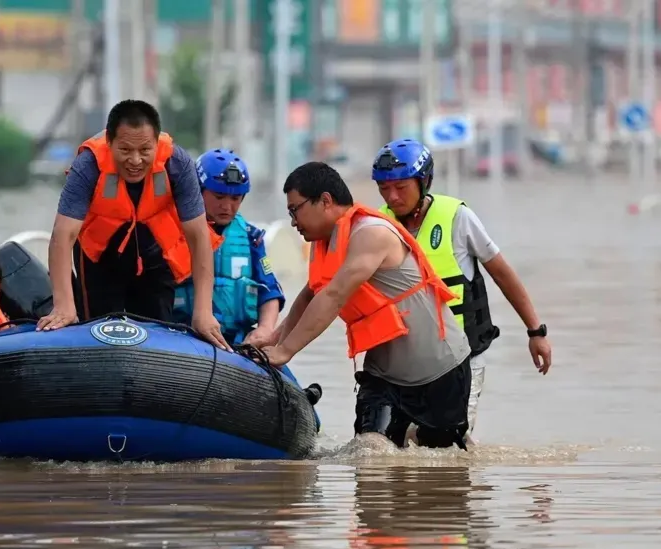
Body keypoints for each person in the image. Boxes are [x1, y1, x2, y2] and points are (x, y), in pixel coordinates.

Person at [256, 161, 473, 450]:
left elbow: (334, 296)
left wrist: (285, 351)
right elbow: (312, 293)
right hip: (383, 377)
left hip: (439, 372)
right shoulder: (323, 242)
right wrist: (274, 338)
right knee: (369, 453)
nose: (293, 221)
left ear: (325, 201)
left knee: (442, 469)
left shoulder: (370, 233)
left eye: (295, 210)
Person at [374, 138, 551, 441]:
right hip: (404, 356)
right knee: (381, 444)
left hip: (461, 356)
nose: (392, 197)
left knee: (445, 446)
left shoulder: (458, 218)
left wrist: (536, 332)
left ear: (424, 181)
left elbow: (503, 275)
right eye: (383, 188)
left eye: (401, 187)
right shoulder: (377, 225)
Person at [36, 99, 229, 350]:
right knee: (96, 331)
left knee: (158, 332)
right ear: (110, 143)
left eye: (145, 150)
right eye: (125, 150)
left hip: (154, 253)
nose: (135, 161)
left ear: (157, 143)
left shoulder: (177, 163)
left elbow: (198, 238)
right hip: (99, 255)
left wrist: (203, 312)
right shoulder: (88, 164)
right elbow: (62, 236)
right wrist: (63, 304)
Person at [171, 148, 286, 346]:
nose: (227, 206)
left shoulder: (252, 238)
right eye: (219, 197)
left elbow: (269, 290)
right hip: (180, 337)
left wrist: (265, 329)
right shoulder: (172, 231)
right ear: (198, 190)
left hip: (235, 342)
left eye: (235, 199)